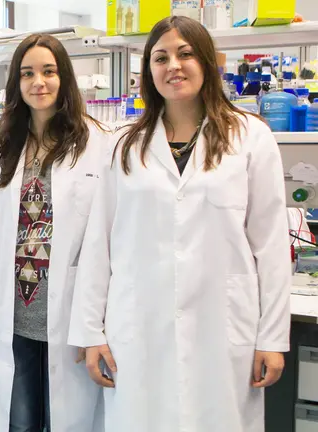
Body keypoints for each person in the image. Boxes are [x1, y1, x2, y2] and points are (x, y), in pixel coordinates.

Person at [68, 16, 290, 432]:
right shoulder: (123, 144)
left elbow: (271, 247)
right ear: (148, 72)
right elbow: (99, 243)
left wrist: (272, 339)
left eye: (185, 53)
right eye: (160, 57)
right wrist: (91, 331)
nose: (174, 65)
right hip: (138, 327)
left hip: (222, 329)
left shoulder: (250, 137)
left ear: (206, 62)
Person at [0, 34, 109, 432]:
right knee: (21, 425)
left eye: (48, 71)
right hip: (14, 320)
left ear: (63, 78)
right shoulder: (8, 146)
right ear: (17, 84)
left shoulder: (97, 143)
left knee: (72, 422)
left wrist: (99, 323)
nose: (38, 82)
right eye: (27, 74)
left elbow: (105, 238)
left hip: (71, 317)